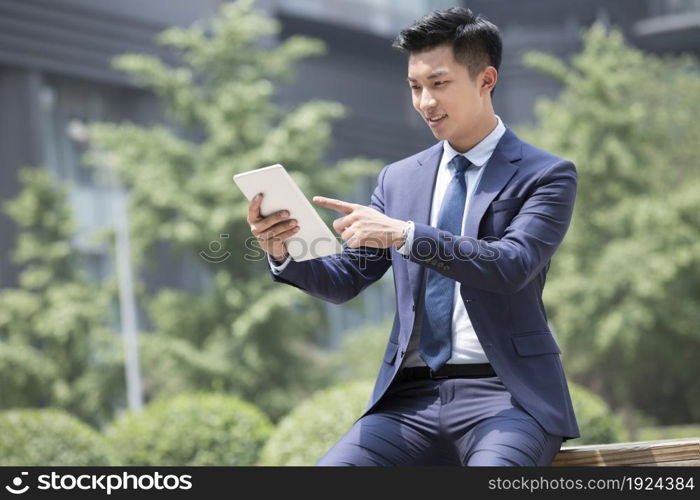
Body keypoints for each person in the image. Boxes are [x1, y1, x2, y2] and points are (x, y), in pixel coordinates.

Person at [246, 7, 580, 466]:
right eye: (415, 87)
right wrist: (283, 250)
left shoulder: (546, 175)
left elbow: (511, 265)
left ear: (486, 80)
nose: (425, 102)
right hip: (408, 401)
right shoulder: (398, 179)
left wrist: (405, 235)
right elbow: (346, 278)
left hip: (508, 398)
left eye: (439, 84)